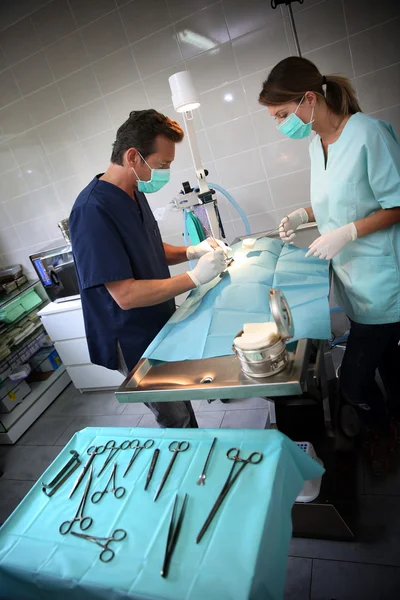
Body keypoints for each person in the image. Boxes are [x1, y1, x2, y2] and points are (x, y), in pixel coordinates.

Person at [258, 57, 400, 473]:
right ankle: (394, 422)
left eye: (283, 114)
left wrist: (349, 233)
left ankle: (383, 439)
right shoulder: (315, 143)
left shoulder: (367, 134)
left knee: (355, 382)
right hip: (352, 282)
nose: (281, 124)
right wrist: (304, 215)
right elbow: (340, 200)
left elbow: (396, 203)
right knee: (390, 364)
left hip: (383, 283)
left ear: (309, 99)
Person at [69, 109, 227, 428]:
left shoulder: (134, 193)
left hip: (154, 318)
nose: (166, 172)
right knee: (175, 416)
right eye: (163, 164)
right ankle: (189, 470)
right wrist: (195, 276)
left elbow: (150, 248)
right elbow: (125, 295)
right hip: (129, 333)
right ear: (133, 156)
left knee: (179, 402)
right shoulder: (91, 211)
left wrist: (192, 250)